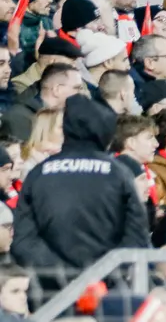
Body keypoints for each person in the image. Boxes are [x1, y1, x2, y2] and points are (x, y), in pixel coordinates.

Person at [13, 95, 150, 269]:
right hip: (106, 284)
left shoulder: (39, 173)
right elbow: (137, 234)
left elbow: (24, 238)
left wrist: (60, 272)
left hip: (51, 287)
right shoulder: (118, 173)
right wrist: (102, 272)